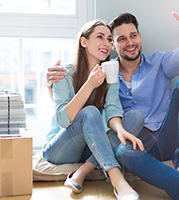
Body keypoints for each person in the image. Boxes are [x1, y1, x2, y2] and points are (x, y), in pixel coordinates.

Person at [46, 5, 179, 200]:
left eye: (133, 36)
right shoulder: (102, 74)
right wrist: (50, 86)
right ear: (114, 45)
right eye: (121, 39)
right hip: (136, 142)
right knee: (119, 142)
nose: (129, 42)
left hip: (164, 135)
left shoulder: (157, 63)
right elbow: (71, 116)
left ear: (139, 36)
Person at [42, 19, 144, 200]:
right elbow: (63, 120)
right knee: (90, 111)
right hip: (60, 149)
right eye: (100, 37)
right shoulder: (63, 72)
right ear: (84, 42)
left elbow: (113, 110)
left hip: (90, 149)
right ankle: (116, 179)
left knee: (135, 117)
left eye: (109, 39)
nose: (106, 43)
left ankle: (83, 170)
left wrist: (121, 131)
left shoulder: (110, 74)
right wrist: (89, 85)